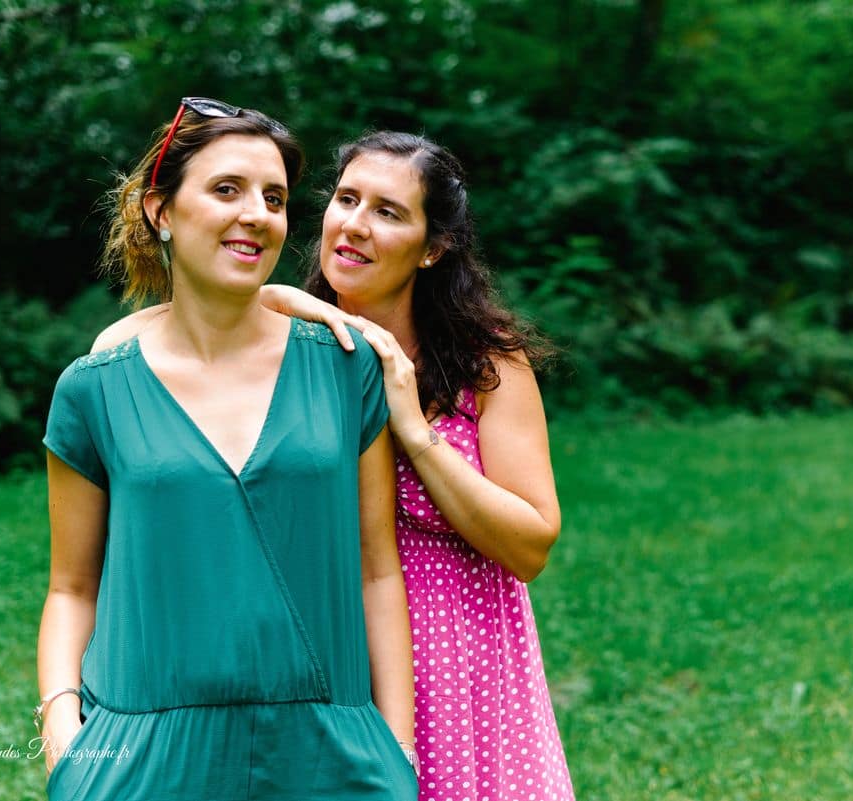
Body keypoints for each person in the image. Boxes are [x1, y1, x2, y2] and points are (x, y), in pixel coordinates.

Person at [94, 131, 576, 801]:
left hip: (459, 668)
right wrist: (294, 303)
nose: (355, 223)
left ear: (433, 247)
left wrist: (412, 426)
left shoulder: (487, 366)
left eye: (388, 210)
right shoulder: (292, 347)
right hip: (324, 663)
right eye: (347, 198)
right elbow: (126, 342)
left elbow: (531, 544)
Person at [36, 100, 418, 801]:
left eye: (273, 198)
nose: (257, 213)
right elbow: (71, 587)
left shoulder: (342, 369)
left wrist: (395, 748)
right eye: (226, 189)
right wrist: (66, 736)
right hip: (141, 764)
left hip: (329, 760)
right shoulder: (94, 391)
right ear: (161, 211)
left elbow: (376, 569)